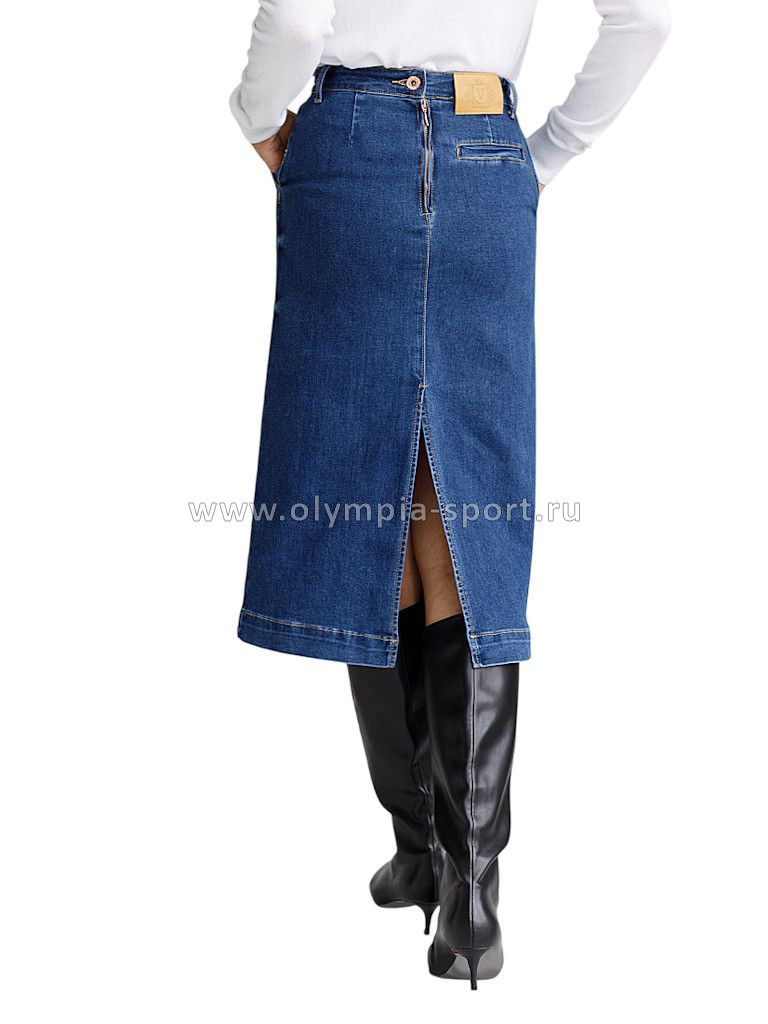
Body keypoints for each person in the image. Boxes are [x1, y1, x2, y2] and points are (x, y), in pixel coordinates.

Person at [231, 0, 669, 988]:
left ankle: (424, 847)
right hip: (485, 154)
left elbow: (295, 23)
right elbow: (646, 17)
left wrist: (256, 114)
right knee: (461, 499)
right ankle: (467, 895)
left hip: (351, 150)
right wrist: (541, 154)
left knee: (363, 489)